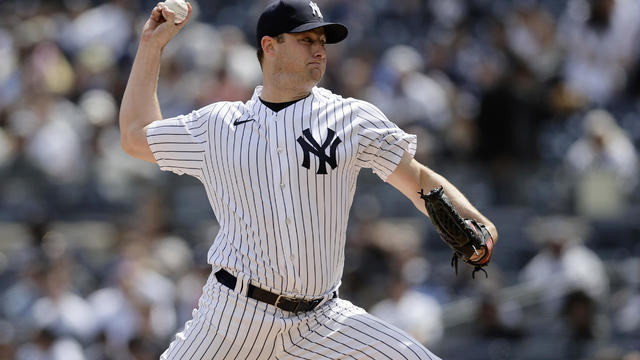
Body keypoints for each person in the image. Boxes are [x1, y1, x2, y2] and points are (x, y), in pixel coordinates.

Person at [119, 1, 498, 359]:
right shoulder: (218, 126)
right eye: (306, 40)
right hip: (232, 317)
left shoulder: (351, 118)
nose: (319, 50)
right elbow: (136, 135)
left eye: (322, 42)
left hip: (323, 320)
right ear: (269, 46)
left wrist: (477, 221)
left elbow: (416, 179)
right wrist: (152, 45)